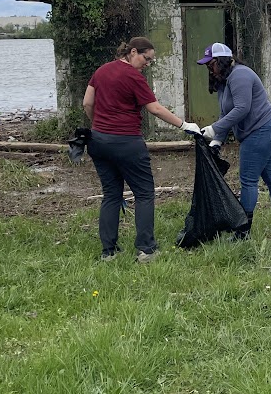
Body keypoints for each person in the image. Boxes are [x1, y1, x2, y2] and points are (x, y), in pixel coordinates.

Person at [83, 37, 201, 261]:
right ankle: (146, 250)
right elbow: (154, 108)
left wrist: (97, 125)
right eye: (146, 59)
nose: (147, 64)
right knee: (144, 194)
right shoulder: (133, 77)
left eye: (150, 61)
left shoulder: (101, 71)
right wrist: (184, 125)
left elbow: (87, 103)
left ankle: (108, 252)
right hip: (127, 142)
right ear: (133, 51)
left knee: (111, 194)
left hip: (98, 141)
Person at [195, 42, 271, 237]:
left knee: (248, 180)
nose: (210, 70)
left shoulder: (241, 75)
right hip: (265, 129)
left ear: (222, 61)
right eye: (207, 66)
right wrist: (216, 141)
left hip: (263, 129)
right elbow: (224, 112)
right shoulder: (224, 80)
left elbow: (242, 108)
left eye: (211, 65)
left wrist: (213, 129)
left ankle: (242, 232)